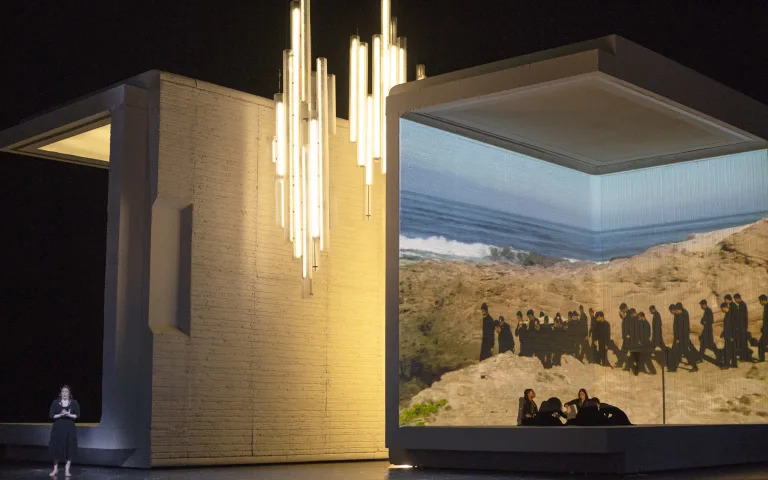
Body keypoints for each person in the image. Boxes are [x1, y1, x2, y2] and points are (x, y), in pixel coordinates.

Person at [49, 385, 80, 477]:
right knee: (56, 448)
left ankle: (67, 469)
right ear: (60, 393)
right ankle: (55, 469)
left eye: (66, 391)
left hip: (69, 428)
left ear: (69, 393)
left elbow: (77, 415)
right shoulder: (55, 402)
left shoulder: (74, 402)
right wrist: (60, 414)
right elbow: (51, 415)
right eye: (63, 391)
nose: (64, 393)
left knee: (69, 448)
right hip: (58, 428)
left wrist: (68, 414)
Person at [672, 303, 698, 371]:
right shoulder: (681, 314)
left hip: (684, 336)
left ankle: (694, 366)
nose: (676, 312)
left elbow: (683, 328)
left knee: (686, 352)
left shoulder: (684, 314)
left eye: (677, 310)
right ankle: (674, 367)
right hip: (682, 336)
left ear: (679, 309)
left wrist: (679, 338)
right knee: (682, 351)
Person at [733, 293, 753, 361]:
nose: (735, 301)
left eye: (735, 299)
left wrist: (739, 328)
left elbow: (741, 318)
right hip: (743, 327)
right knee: (743, 343)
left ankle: (744, 357)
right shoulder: (742, 304)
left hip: (742, 328)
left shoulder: (742, 305)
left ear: (738, 298)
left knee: (743, 343)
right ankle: (745, 357)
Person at [720, 302, 738, 369]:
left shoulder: (730, 314)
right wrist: (723, 333)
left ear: (724, 307)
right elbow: (727, 326)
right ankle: (734, 364)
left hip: (729, 336)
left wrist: (732, 336)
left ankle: (726, 365)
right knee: (732, 350)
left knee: (727, 351)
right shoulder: (728, 314)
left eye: (721, 309)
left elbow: (733, 326)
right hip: (729, 335)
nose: (721, 310)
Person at [758, 294, 768, 362]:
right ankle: (762, 358)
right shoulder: (765, 307)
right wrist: (763, 327)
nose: (760, 302)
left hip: (767, 331)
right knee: (761, 344)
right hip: (765, 330)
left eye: (760, 301)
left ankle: (761, 359)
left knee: (761, 344)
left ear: (763, 300)